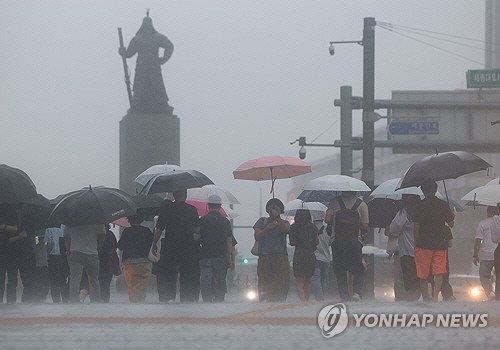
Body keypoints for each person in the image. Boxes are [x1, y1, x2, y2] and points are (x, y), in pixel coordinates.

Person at [118, 13, 174, 114]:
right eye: (145, 25)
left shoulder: (158, 37)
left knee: (158, 86)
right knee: (139, 87)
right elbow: (129, 53)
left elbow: (169, 46)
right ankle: (136, 104)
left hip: (154, 66)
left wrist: (164, 59)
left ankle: (163, 104)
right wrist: (123, 52)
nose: (147, 27)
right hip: (141, 67)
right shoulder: (137, 39)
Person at [151, 190, 200, 302]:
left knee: (169, 274)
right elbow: (197, 229)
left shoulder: (166, 209)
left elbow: (158, 229)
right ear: (185, 195)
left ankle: (169, 297)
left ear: (174, 195)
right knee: (186, 274)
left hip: (170, 246)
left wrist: (154, 244)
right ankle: (186, 297)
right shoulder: (192, 210)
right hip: (188, 247)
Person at [413, 182, 454, 301]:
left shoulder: (419, 205)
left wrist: (416, 241)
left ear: (423, 191)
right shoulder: (443, 204)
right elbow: (451, 223)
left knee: (423, 273)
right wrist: (451, 215)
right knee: (439, 271)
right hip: (440, 243)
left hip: (423, 243)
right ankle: (435, 295)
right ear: (435, 190)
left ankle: (426, 296)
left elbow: (416, 225)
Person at [325, 192, 368, 302]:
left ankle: (344, 296)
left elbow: (327, 220)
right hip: (355, 242)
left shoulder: (334, 202)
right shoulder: (362, 204)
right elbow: (365, 225)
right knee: (358, 269)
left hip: (337, 242)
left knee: (340, 270)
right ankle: (356, 293)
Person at [197, 195, 233, 303]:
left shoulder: (202, 220)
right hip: (221, 255)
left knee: (206, 278)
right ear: (220, 206)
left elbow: (196, 236)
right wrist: (229, 257)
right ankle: (219, 299)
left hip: (205, 254)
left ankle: (207, 299)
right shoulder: (225, 222)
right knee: (220, 279)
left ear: (208, 205)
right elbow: (229, 241)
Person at [253, 198, 290, 302]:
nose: (273, 209)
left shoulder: (284, 222)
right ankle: (264, 300)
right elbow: (257, 235)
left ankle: (279, 301)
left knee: (280, 281)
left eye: (276, 207)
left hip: (280, 256)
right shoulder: (262, 221)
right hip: (265, 255)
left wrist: (277, 218)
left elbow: (285, 229)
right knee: (264, 281)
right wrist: (268, 228)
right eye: (271, 207)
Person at [388, 194, 421, 301]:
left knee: (407, 277)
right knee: (419, 277)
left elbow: (393, 228)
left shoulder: (404, 213)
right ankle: (417, 296)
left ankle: (409, 299)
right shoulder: (422, 211)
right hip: (422, 250)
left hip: (407, 251)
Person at [64, 224, 106, 303]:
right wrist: (99, 247)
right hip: (92, 253)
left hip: (75, 252)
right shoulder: (97, 220)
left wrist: (68, 250)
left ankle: (74, 300)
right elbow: (102, 235)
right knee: (94, 279)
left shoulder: (71, 220)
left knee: (74, 279)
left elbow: (67, 237)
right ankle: (95, 300)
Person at [118, 214, 153, 303]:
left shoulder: (127, 232)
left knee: (132, 285)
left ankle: (134, 302)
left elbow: (120, 246)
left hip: (130, 262)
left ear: (129, 220)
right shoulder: (146, 231)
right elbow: (152, 244)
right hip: (145, 261)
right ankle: (141, 301)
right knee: (142, 284)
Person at [289, 209, 319, 301]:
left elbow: (292, 242)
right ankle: (306, 300)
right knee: (308, 281)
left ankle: (302, 301)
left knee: (299, 281)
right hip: (310, 254)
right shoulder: (313, 227)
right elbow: (317, 242)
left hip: (299, 254)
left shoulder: (293, 227)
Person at [475, 206, 499, 299]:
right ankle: (498, 294)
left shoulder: (482, 224)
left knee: (484, 276)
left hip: (486, 254)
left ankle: (490, 293)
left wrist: (475, 255)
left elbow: (478, 240)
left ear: (488, 212)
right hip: (498, 253)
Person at [44, 225, 69, 303]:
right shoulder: (64, 228)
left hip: (53, 257)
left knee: (53, 280)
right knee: (63, 279)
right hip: (63, 257)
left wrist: (47, 256)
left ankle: (56, 300)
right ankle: (65, 298)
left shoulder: (48, 229)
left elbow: (49, 245)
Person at [0, 203, 19, 303]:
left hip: (11, 250)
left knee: (12, 279)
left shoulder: (11, 211)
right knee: (2, 279)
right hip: (5, 250)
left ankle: (11, 302)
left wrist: (4, 227)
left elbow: (15, 228)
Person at [311, 220, 333, 301]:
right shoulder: (327, 229)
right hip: (326, 258)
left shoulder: (311, 228)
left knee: (316, 278)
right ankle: (323, 295)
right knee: (323, 279)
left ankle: (319, 298)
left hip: (315, 257)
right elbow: (330, 242)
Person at [98, 225, 119, 303]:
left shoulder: (97, 234)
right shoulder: (110, 234)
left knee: (99, 281)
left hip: (99, 259)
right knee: (106, 283)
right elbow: (116, 246)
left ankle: (99, 298)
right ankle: (106, 299)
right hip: (109, 260)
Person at [33, 233, 49, 302]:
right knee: (38, 282)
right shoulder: (35, 248)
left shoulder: (46, 248)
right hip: (38, 267)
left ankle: (43, 296)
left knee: (45, 283)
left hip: (44, 267)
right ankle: (38, 296)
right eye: (40, 239)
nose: (41, 240)